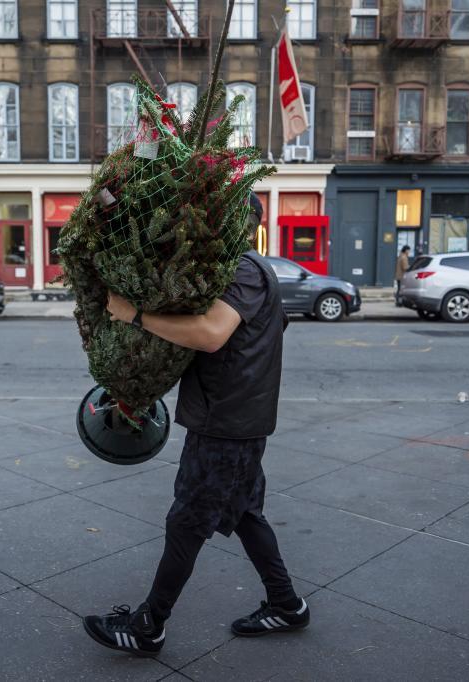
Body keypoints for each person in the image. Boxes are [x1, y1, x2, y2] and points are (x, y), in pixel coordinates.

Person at [82, 193, 308, 657]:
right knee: (244, 512)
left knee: (187, 520)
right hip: (238, 417)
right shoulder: (252, 271)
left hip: (226, 423)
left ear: (233, 227)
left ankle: (149, 626)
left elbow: (210, 335)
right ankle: (287, 605)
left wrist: (136, 315)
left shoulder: (244, 270)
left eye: (213, 221)